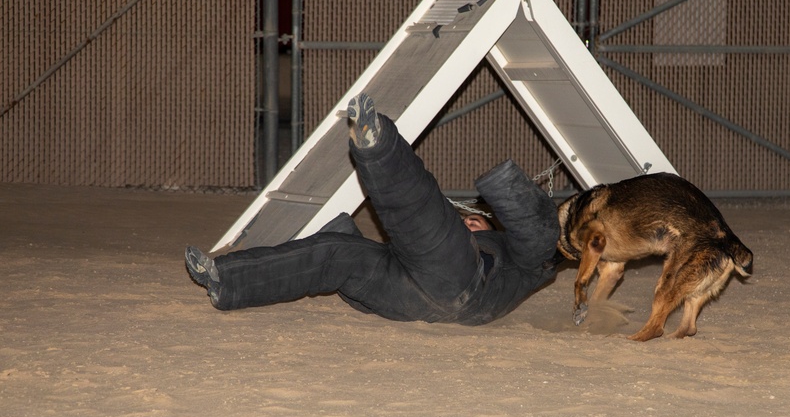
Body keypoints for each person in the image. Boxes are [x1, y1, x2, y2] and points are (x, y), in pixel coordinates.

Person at [184, 93, 563, 326]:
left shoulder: (522, 262)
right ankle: (225, 280)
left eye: (475, 220)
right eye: (467, 218)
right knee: (337, 251)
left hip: (466, 286)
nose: (468, 220)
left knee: (422, 217)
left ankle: (375, 142)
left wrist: (504, 186)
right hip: (406, 299)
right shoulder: (472, 243)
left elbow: (540, 235)